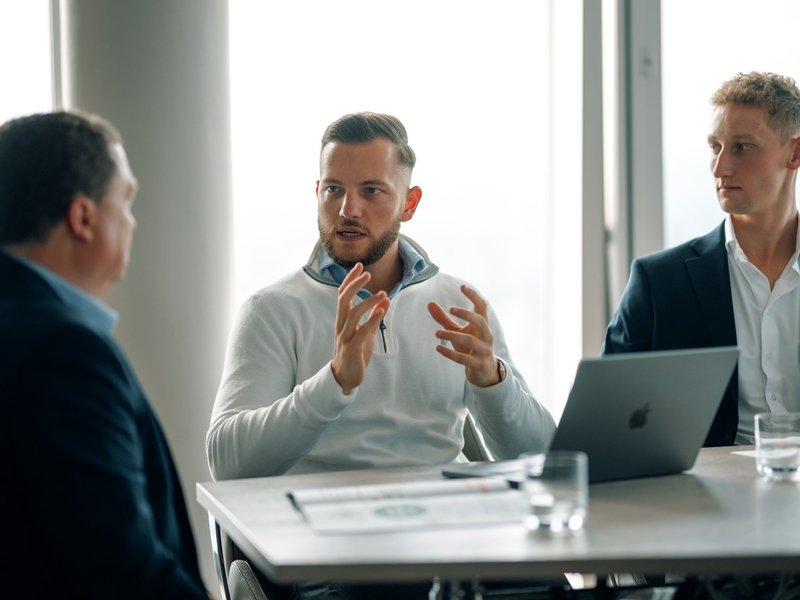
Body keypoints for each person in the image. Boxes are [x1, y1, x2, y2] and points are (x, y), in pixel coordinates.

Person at [206, 111, 558, 599]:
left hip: (458, 542)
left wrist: (492, 382)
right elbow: (227, 462)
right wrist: (333, 383)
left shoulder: (460, 303)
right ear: (317, 193)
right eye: (334, 189)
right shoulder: (271, 311)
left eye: (371, 191)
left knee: (550, 583)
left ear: (409, 204)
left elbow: (544, 460)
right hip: (335, 556)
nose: (347, 208)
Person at [0, 111, 209, 599]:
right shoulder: (62, 351)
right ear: (83, 218)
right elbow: (121, 568)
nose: (132, 222)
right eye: (126, 200)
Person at [603, 71, 800, 447]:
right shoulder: (658, 282)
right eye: (715, 147)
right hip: (706, 481)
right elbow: (601, 416)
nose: (720, 167)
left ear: (795, 153)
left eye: (741, 147)